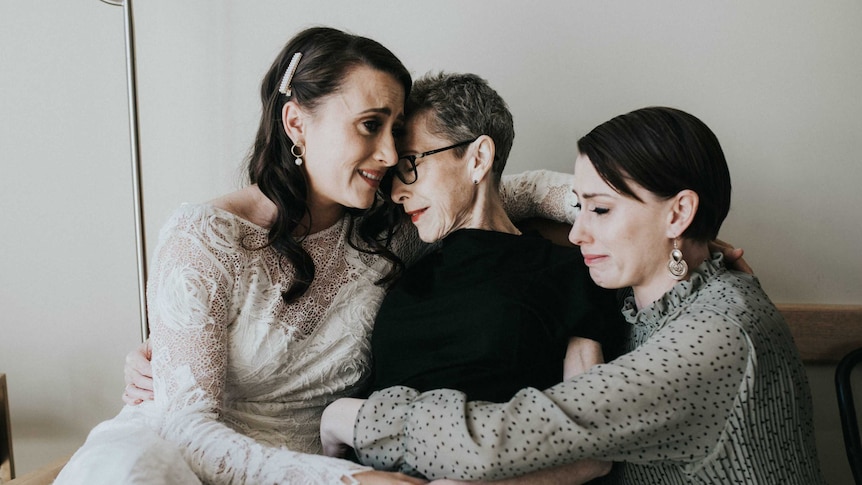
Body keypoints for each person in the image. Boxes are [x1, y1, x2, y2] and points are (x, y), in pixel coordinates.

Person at [59, 27, 575, 485]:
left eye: (396, 133)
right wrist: (351, 478)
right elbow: (186, 428)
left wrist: (619, 212)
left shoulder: (393, 230)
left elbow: (505, 190)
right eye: (371, 125)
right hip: (188, 460)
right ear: (296, 122)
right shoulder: (205, 236)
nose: (392, 156)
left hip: (322, 457)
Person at [323, 107, 826, 484]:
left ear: (678, 214)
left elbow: (509, 436)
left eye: (600, 211)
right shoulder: (656, 303)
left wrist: (355, 416)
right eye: (577, 207)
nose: (577, 232)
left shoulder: (715, 336)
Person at [319, 72, 622, 482]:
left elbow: (594, 450)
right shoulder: (405, 271)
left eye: (410, 165)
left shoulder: (567, 271)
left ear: (478, 158)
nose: (395, 192)